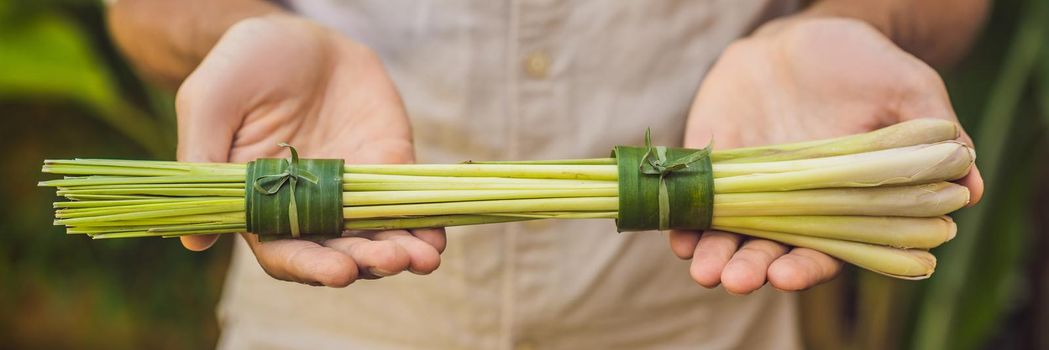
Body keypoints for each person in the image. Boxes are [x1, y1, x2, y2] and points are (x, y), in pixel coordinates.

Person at [108, 0, 987, 348]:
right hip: (324, 328)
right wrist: (235, 32)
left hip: (695, 326)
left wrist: (835, 28)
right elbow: (144, 13)